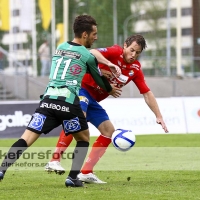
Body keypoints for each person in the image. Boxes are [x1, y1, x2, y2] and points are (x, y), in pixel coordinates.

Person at [0, 15, 121, 187]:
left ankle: (2, 169)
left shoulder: (60, 47)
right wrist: (111, 89)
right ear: (85, 34)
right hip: (68, 103)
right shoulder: (87, 55)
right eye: (94, 33)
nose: (96, 37)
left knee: (26, 138)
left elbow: (71, 67)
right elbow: (99, 80)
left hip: (48, 101)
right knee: (84, 138)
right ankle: (72, 178)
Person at [44, 34, 169, 183]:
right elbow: (92, 52)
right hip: (81, 89)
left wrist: (158, 115)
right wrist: (108, 64)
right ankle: (54, 160)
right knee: (78, 119)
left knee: (109, 131)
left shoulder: (135, 69)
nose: (133, 55)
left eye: (137, 53)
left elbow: (147, 93)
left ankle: (86, 172)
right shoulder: (115, 51)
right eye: (131, 50)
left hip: (94, 102)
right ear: (125, 46)